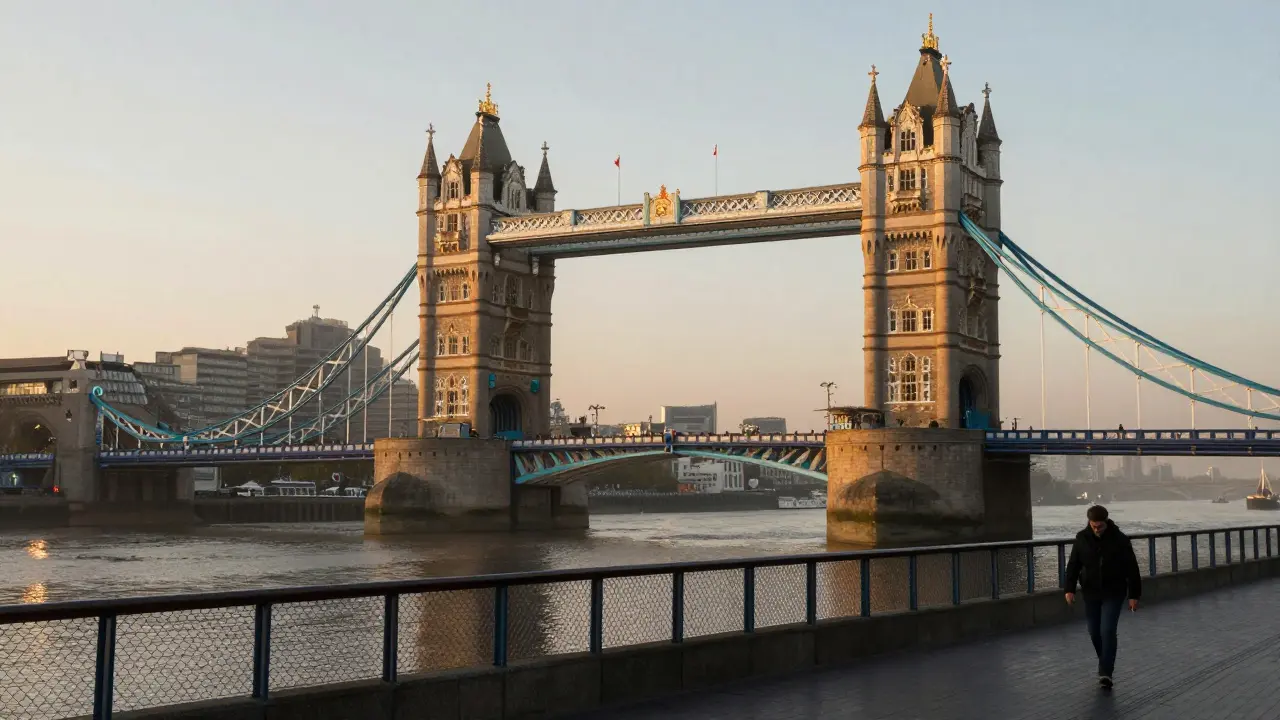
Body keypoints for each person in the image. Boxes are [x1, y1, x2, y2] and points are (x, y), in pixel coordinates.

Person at [1063, 505, 1142, 689]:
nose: (1096, 529)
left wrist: (1134, 595)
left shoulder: (1120, 540)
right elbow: (1073, 565)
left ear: (1106, 522)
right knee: (1094, 632)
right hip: (1090, 592)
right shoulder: (1082, 538)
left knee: (1107, 630)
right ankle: (1104, 662)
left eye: (1099, 526)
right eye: (1093, 525)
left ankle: (1106, 672)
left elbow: (1132, 568)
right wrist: (1070, 589)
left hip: (1114, 592)